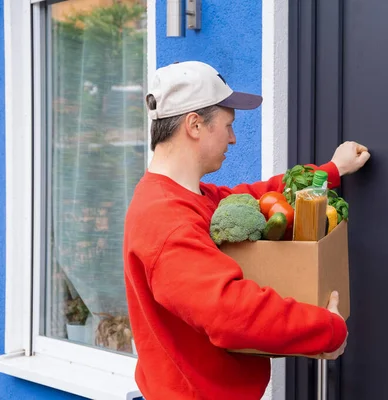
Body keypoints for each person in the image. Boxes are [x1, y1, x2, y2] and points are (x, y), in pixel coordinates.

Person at [123, 60, 371, 400]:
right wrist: (327, 329)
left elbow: (256, 196)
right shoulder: (164, 218)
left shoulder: (193, 196)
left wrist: (330, 171)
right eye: (227, 126)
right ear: (194, 125)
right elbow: (231, 313)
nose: (234, 138)